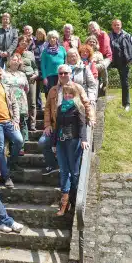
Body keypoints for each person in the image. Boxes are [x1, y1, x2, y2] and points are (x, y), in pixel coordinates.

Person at [38, 64, 95, 176]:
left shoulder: (77, 88)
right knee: (42, 143)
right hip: (56, 127)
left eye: (66, 73)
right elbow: (48, 108)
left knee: (71, 157)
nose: (63, 75)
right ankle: (53, 164)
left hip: (72, 128)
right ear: (58, 75)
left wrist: (91, 118)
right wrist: (47, 124)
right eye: (61, 73)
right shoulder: (52, 90)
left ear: (70, 74)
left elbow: (87, 104)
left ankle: (70, 176)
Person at [53, 85, 88, 216]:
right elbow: (57, 126)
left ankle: (74, 199)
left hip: (73, 141)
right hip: (61, 142)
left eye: (70, 94)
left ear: (75, 95)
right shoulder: (60, 108)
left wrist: (84, 139)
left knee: (74, 172)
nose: (67, 95)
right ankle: (64, 202)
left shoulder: (78, 107)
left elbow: (82, 125)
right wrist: (54, 143)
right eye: (65, 93)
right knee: (63, 171)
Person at [109, 19, 132, 111]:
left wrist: (131, 59)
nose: (116, 26)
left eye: (118, 25)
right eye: (115, 25)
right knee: (102, 78)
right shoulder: (108, 36)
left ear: (121, 25)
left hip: (124, 62)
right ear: (112, 26)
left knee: (125, 83)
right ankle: (99, 100)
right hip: (111, 61)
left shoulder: (127, 35)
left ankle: (126, 104)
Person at [2, 54, 29, 155]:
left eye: (17, 60)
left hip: (21, 102)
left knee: (22, 123)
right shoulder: (4, 73)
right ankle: (10, 146)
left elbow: (27, 89)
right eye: (13, 60)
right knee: (10, 123)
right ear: (9, 62)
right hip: (8, 103)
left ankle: (20, 146)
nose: (15, 62)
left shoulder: (22, 74)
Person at [16, 36, 38, 131]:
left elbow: (35, 66)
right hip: (20, 80)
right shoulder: (15, 53)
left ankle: (32, 124)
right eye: (22, 41)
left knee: (32, 102)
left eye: (26, 42)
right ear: (19, 42)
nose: (24, 43)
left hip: (31, 79)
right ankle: (22, 123)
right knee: (21, 101)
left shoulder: (30, 54)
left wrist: (36, 74)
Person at [34, 28, 47, 110]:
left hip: (45, 67)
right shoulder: (33, 43)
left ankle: (47, 104)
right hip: (36, 67)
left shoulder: (47, 44)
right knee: (37, 87)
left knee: (46, 86)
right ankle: (38, 105)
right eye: (38, 33)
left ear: (44, 35)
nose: (39, 35)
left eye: (41, 33)